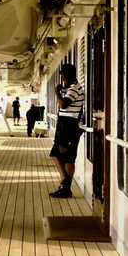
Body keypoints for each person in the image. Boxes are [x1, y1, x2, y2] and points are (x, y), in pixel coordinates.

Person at [50, 63, 85, 198]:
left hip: (69, 127)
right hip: (63, 126)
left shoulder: (75, 88)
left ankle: (65, 187)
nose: (62, 77)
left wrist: (57, 93)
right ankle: (65, 183)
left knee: (68, 158)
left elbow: (63, 104)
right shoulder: (70, 87)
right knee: (55, 153)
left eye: (63, 74)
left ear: (66, 75)